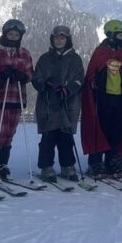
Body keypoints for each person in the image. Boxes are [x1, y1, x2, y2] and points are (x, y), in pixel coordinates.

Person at [81, 20, 122, 176]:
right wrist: (94, 81)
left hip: (120, 98)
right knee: (100, 129)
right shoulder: (101, 53)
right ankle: (95, 162)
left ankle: (112, 161)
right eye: (120, 35)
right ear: (112, 35)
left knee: (116, 130)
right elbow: (92, 74)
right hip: (103, 98)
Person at [0, 19, 34, 180]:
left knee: (10, 133)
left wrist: (23, 76)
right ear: (5, 34)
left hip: (16, 98)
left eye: (16, 35)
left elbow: (30, 73)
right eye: (10, 34)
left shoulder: (24, 53)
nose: (13, 37)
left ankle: (2, 163)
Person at [32, 25, 85, 181]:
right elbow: (36, 77)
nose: (59, 41)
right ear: (52, 40)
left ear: (67, 40)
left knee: (65, 137)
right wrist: (43, 84)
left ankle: (67, 165)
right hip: (48, 105)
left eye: (62, 38)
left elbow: (79, 79)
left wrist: (68, 89)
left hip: (68, 104)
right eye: (56, 38)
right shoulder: (45, 58)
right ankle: (46, 166)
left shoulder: (75, 59)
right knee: (48, 138)